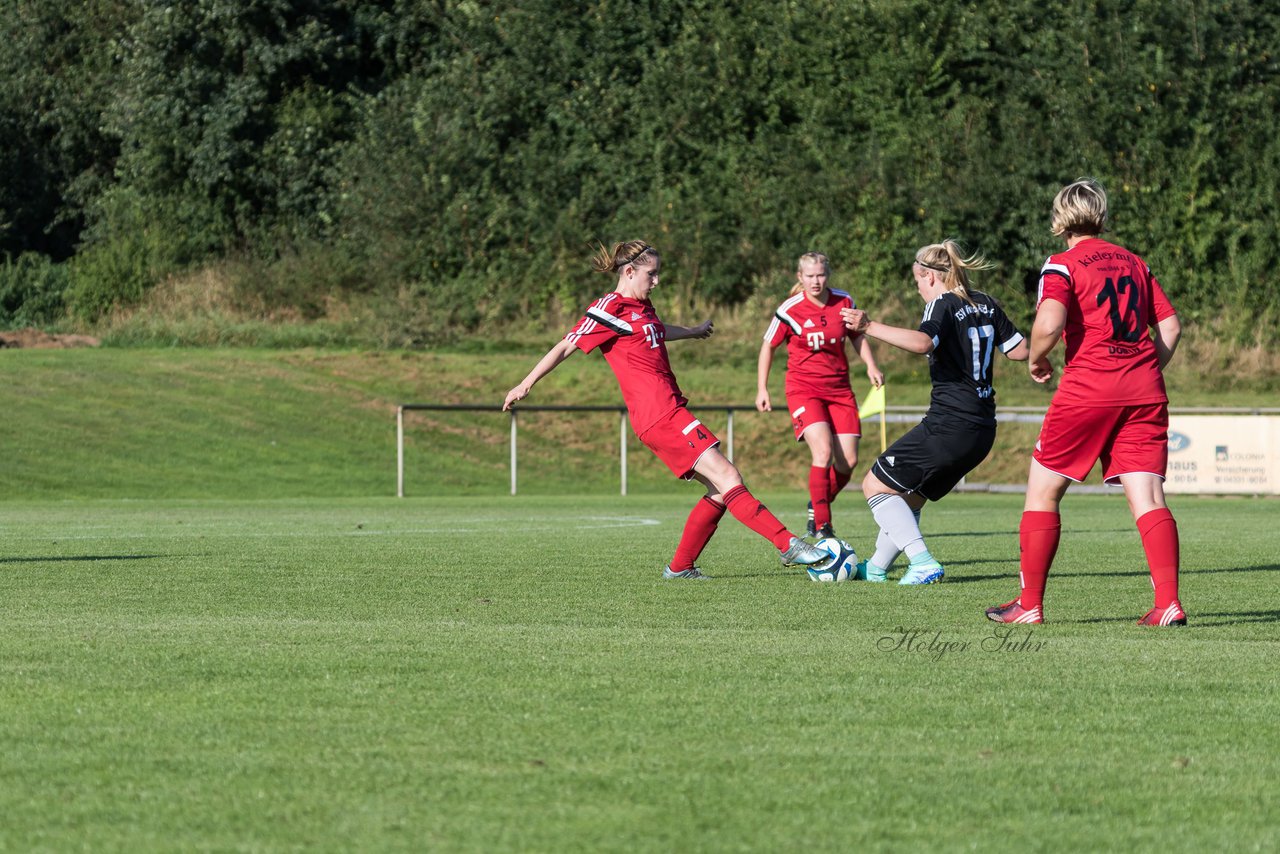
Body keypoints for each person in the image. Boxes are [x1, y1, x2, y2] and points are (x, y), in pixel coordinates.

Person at [503, 240, 830, 579]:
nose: (656, 281)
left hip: (671, 409)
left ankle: (680, 568)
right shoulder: (609, 307)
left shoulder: (643, 307)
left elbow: (655, 331)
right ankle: (788, 544)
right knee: (729, 477)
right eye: (652, 274)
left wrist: (691, 332)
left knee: (720, 490)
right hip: (660, 415)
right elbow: (566, 344)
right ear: (629, 272)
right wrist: (526, 383)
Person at [986, 178, 1185, 626]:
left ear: (1060, 219)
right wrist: (1144, 370)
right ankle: (1167, 602)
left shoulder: (1062, 264)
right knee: (1149, 496)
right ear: (1101, 215)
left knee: (1043, 490)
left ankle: (1029, 605)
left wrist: (1036, 359)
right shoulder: (1135, 262)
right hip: (1145, 390)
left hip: (1089, 388)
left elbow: (1049, 323)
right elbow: (1170, 329)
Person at [842, 240, 1028, 584]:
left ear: (928, 276)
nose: (918, 289)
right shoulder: (985, 303)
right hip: (983, 428)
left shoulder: (941, 303)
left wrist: (869, 327)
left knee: (875, 484)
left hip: (950, 424)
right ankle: (878, 568)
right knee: (909, 497)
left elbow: (922, 343)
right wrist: (1042, 361)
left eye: (916, 281)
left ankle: (923, 562)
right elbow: (1020, 350)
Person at [757, 252, 884, 540]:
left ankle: (817, 502)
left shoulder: (844, 301)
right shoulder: (789, 309)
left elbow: (857, 335)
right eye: (810, 276)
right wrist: (762, 388)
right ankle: (823, 526)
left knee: (847, 462)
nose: (816, 281)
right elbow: (768, 347)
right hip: (804, 390)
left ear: (828, 275)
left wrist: (871, 365)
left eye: (821, 275)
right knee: (823, 452)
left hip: (840, 391)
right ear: (800, 277)